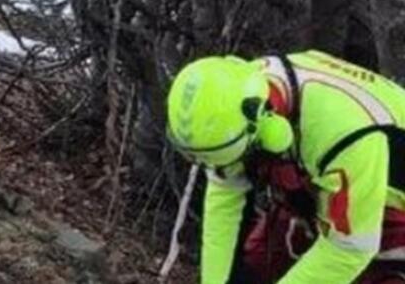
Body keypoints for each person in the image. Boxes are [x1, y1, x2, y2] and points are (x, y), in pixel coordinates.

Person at [167, 51, 405, 283]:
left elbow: (350, 248)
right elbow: (225, 197)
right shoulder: (239, 94)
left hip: (388, 210)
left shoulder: (344, 135)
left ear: (271, 131)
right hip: (329, 194)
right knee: (257, 262)